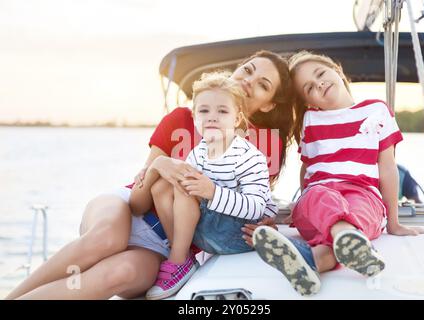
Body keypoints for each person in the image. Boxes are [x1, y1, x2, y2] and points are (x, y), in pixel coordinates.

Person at [6, 50, 294, 300]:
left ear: (268, 104)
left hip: (170, 247)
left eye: (262, 85)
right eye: (248, 70)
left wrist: (263, 223)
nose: (248, 80)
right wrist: (159, 166)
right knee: (105, 239)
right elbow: (137, 204)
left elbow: (251, 208)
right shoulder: (183, 118)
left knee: (120, 273)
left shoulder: (262, 147)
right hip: (127, 207)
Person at [252, 51, 424, 297]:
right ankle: (349, 238)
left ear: (337, 70)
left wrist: (394, 223)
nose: (319, 83)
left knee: (360, 209)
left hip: (363, 195)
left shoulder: (376, 110)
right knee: (318, 195)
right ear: (309, 103)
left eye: (321, 74)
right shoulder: (311, 120)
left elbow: (387, 168)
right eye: (309, 87)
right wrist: (301, 205)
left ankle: (315, 260)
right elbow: (308, 169)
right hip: (319, 198)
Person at [130, 72, 277, 299]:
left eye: (222, 111)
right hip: (205, 232)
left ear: (237, 119)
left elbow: (256, 207)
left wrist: (212, 192)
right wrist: (155, 169)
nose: (212, 118)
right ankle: (182, 256)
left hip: (238, 236)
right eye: (204, 111)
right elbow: (177, 189)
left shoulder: (248, 156)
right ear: (195, 116)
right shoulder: (199, 152)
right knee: (162, 186)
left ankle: (178, 261)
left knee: (184, 185)